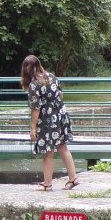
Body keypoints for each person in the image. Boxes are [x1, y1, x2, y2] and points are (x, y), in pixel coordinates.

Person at [20, 55, 78, 191]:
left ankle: (47, 184)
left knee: (47, 153)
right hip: (61, 116)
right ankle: (73, 178)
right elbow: (61, 95)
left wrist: (33, 128)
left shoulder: (34, 84)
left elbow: (35, 108)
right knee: (63, 148)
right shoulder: (52, 77)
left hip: (47, 120)